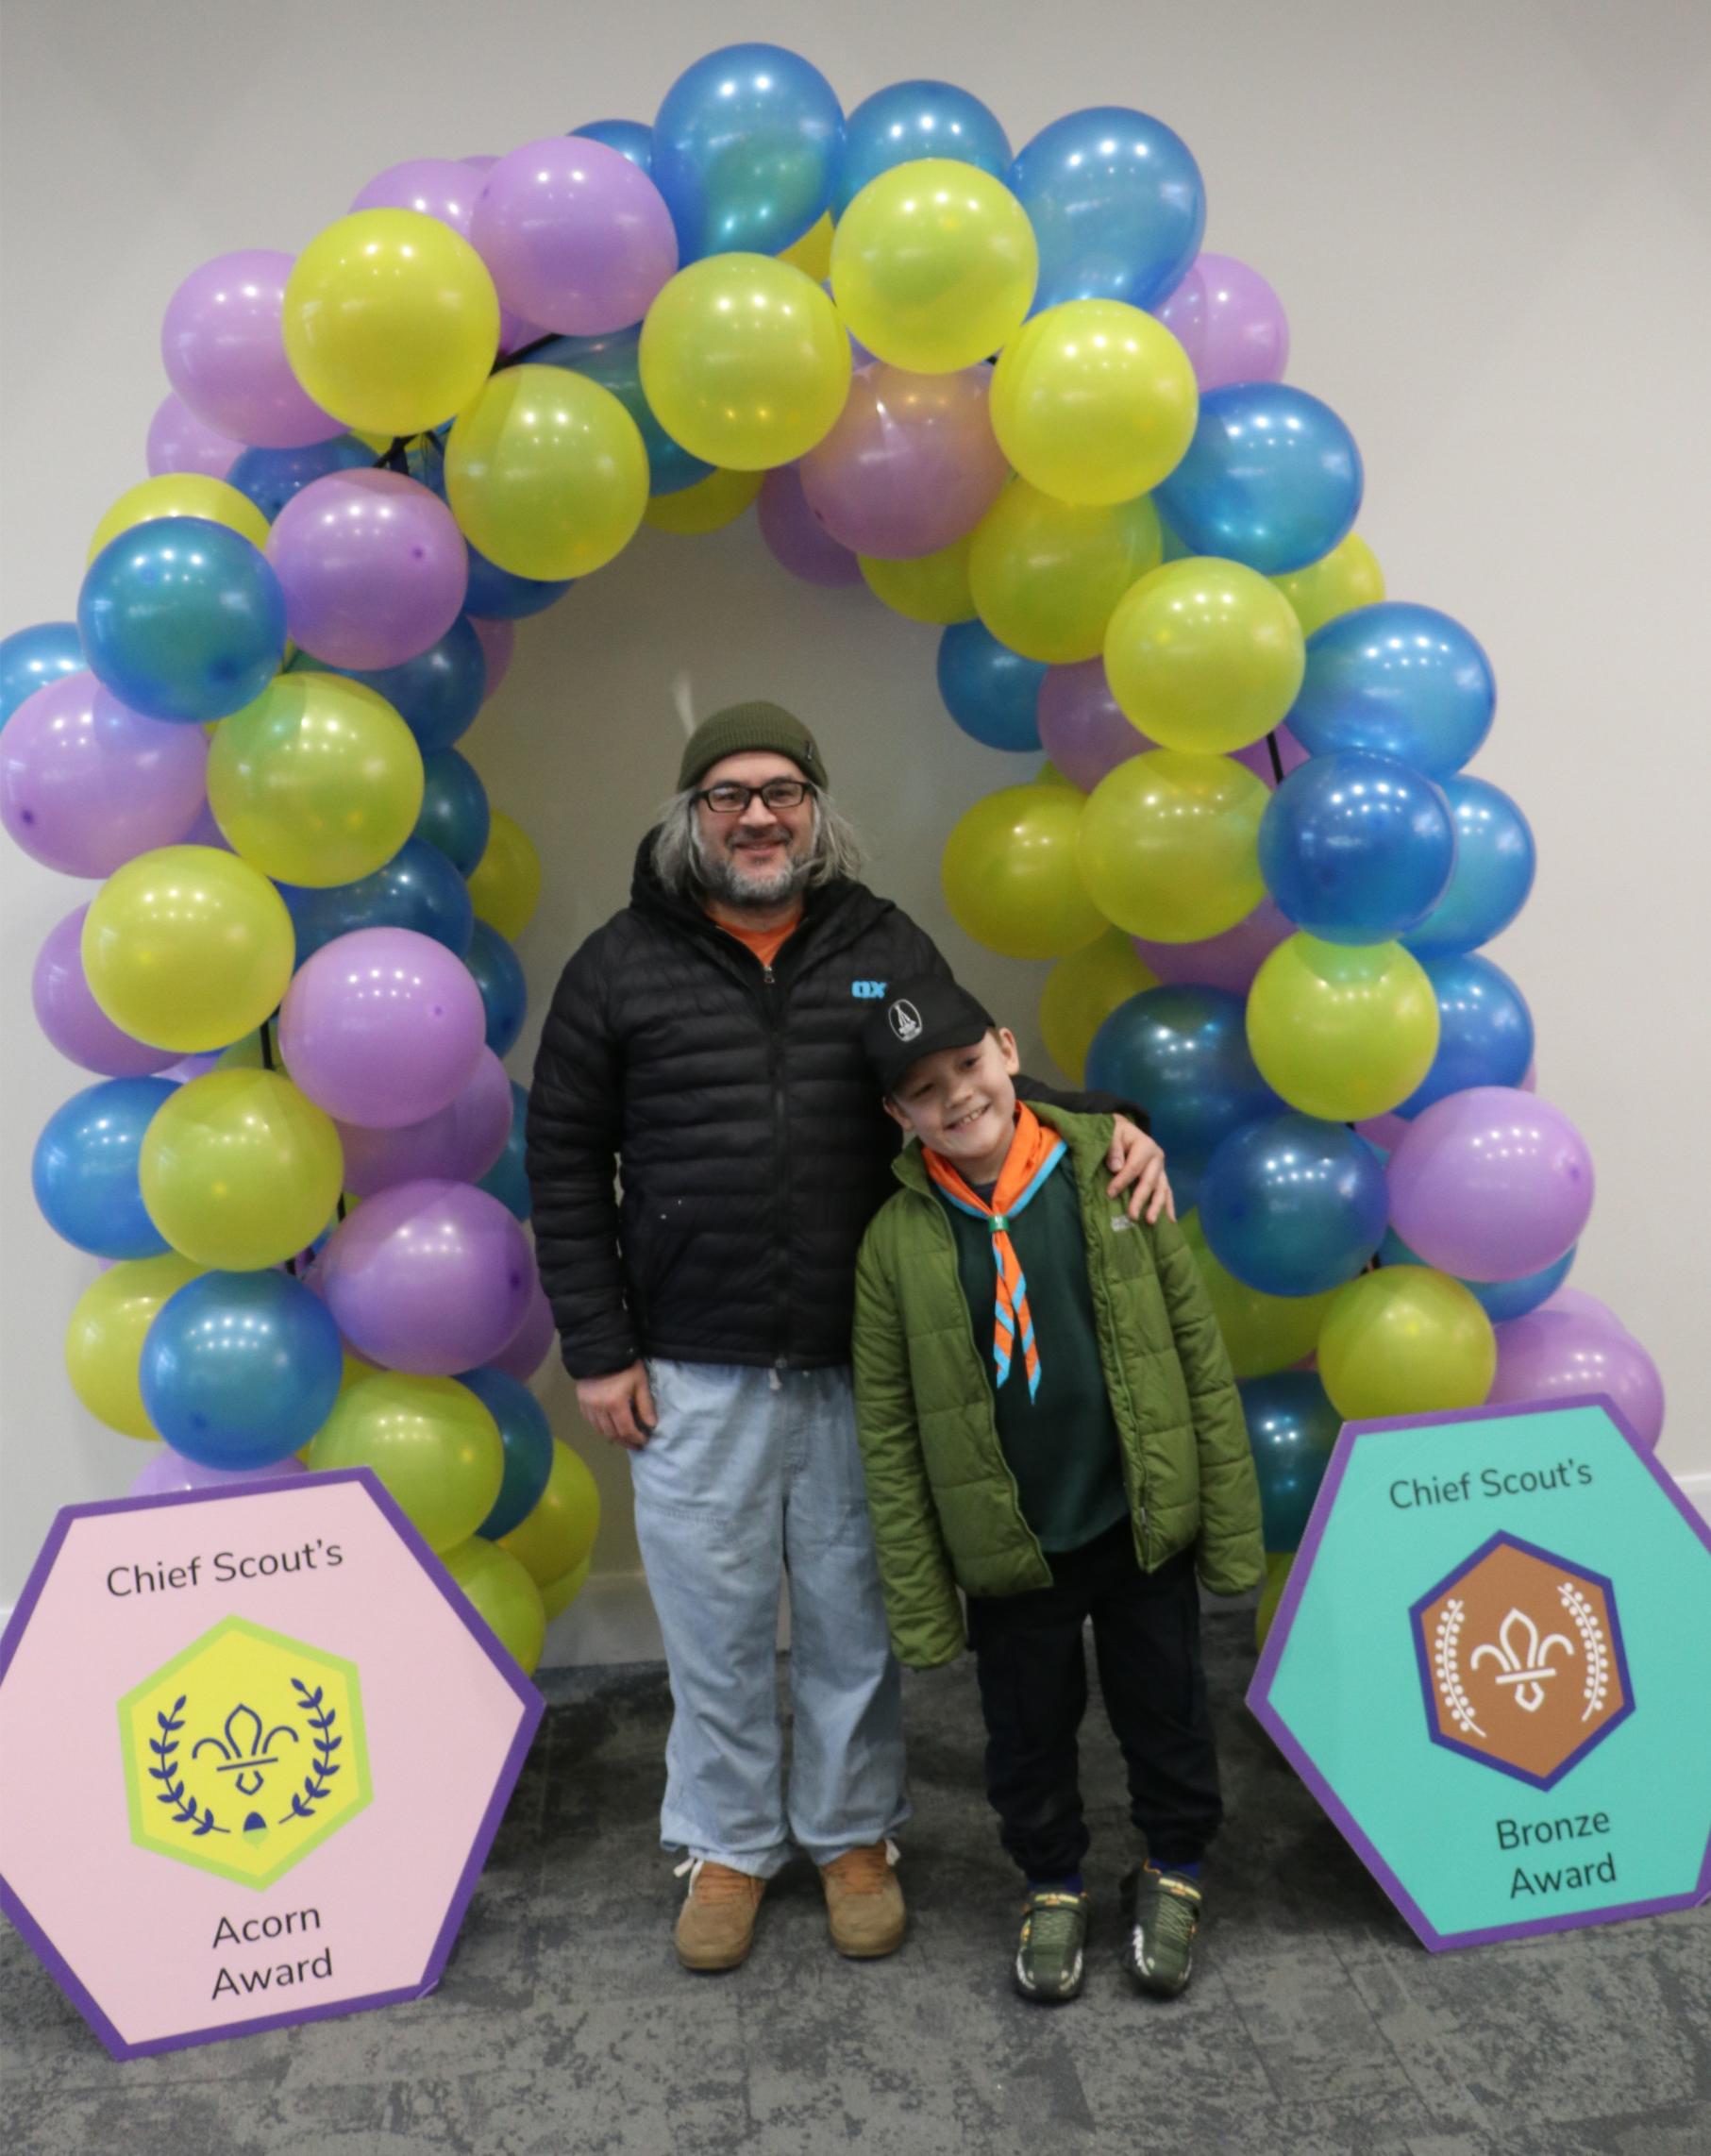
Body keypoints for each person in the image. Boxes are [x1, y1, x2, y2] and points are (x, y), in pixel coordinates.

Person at [525, 699, 1171, 1975]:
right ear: (691, 816)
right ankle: (724, 1846)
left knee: (849, 1619)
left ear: (815, 810)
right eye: (728, 794)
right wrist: (597, 1347)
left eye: (782, 791)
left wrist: (1111, 1126)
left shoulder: (877, 947)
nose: (757, 816)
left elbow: (969, 1082)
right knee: (711, 1627)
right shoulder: (619, 965)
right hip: (689, 1365)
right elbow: (560, 1159)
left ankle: (851, 1836)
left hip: (865, 1362)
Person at [849, 973, 1263, 2003]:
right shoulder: (892, 1244)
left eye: (967, 1065)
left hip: (1136, 1521)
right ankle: (1051, 1882)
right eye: (923, 1090)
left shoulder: (1116, 1174)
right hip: (1011, 1544)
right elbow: (889, 1435)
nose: (956, 1095)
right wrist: (922, 1599)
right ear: (896, 1114)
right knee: (1025, 1734)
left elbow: (1194, 1350)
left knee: (1167, 1711)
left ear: (1006, 1049)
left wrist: (1227, 1522)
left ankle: (1174, 1865)